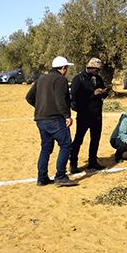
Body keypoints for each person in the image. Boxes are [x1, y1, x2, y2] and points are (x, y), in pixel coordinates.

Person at [25, 56, 78, 187]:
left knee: (45, 148)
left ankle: (42, 178)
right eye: (66, 68)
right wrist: (67, 116)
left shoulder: (41, 79)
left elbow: (29, 97)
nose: (66, 70)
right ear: (63, 68)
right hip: (54, 119)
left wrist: (41, 107)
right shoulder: (61, 79)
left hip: (40, 119)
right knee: (65, 144)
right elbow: (61, 100)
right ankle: (60, 176)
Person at [69, 57, 109, 173]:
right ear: (90, 68)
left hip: (97, 115)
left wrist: (104, 93)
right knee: (79, 139)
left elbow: (101, 94)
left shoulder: (98, 78)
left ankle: (92, 161)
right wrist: (93, 94)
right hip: (84, 115)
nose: (98, 72)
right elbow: (75, 97)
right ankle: (73, 163)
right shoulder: (78, 79)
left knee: (95, 138)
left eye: (99, 70)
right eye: (96, 70)